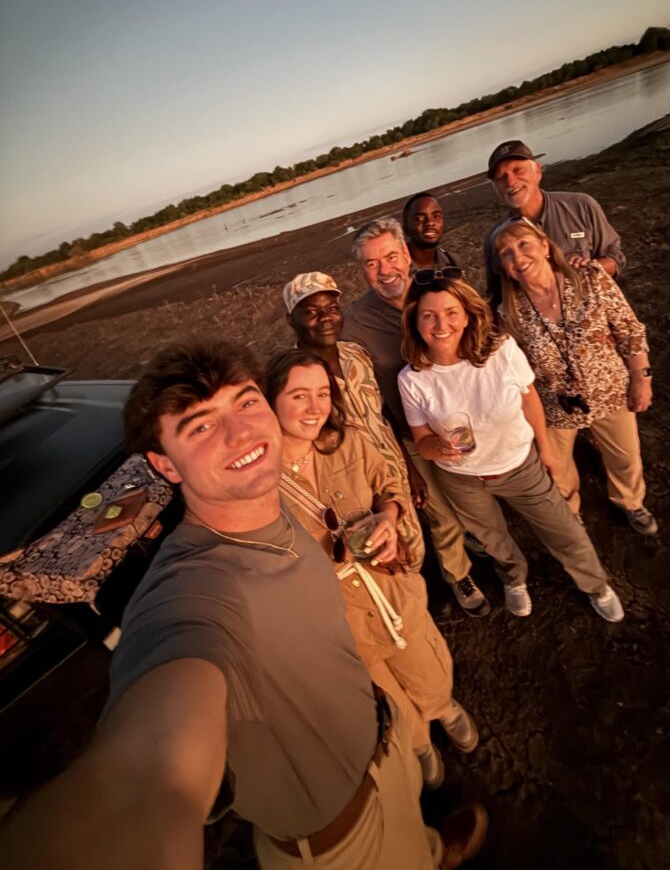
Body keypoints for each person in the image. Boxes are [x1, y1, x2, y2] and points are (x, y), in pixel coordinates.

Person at [0, 340, 487, 870]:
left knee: (416, 832)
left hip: (382, 746)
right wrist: (127, 808)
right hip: (345, 837)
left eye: (247, 402)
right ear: (165, 464)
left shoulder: (272, 510)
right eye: (201, 426)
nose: (242, 432)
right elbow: (146, 770)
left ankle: (433, 850)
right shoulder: (195, 590)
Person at [264, 349, 479, 791]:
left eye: (322, 393)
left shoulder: (349, 442)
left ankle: (443, 707)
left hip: (388, 582)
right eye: (299, 396)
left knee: (422, 657)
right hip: (335, 613)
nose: (315, 407)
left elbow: (390, 481)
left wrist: (389, 514)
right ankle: (418, 742)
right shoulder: (260, 482)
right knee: (379, 684)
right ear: (271, 401)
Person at [397, 272, 625, 623]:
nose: (441, 324)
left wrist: (545, 449)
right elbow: (422, 440)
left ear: (468, 314)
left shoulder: (500, 350)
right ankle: (514, 579)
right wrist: (437, 449)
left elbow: (530, 399)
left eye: (451, 312)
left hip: (519, 464)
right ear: (415, 322)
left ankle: (596, 586)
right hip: (462, 478)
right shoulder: (412, 378)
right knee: (492, 539)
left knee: (564, 530)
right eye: (428, 315)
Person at [343, 217, 491, 618]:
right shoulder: (355, 321)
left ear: (407, 254)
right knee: (440, 512)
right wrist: (404, 462)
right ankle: (458, 574)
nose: (385, 270)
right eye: (372, 264)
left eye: (391, 256)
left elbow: (479, 337)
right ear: (363, 270)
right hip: (411, 435)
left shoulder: (438, 290)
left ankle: (480, 541)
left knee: (475, 496)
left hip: (464, 421)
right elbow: (366, 397)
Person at [494, 215, 658, 535]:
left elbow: (629, 330)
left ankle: (630, 502)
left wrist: (641, 378)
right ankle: (570, 510)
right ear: (503, 266)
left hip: (610, 389)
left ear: (544, 246)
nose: (518, 257)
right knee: (556, 467)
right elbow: (513, 368)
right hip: (555, 405)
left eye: (524, 244)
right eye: (507, 253)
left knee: (626, 456)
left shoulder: (589, 277)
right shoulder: (508, 312)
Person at [283, 270, 425, 571]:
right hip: (357, 484)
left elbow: (381, 414)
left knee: (413, 539)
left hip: (394, 470)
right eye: (310, 312)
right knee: (380, 555)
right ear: (290, 321)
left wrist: (409, 468)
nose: (325, 318)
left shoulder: (357, 354)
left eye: (332, 309)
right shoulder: (295, 379)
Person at [483, 139, 626, 307]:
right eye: (501, 177)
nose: (511, 182)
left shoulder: (581, 205)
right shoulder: (495, 239)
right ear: (496, 187)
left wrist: (589, 268)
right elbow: (498, 297)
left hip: (594, 314)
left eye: (518, 170)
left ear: (537, 171)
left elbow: (616, 260)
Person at [403, 192, 460, 270]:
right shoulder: (394, 267)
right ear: (406, 229)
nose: (430, 222)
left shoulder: (453, 262)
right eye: (419, 218)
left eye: (436, 216)